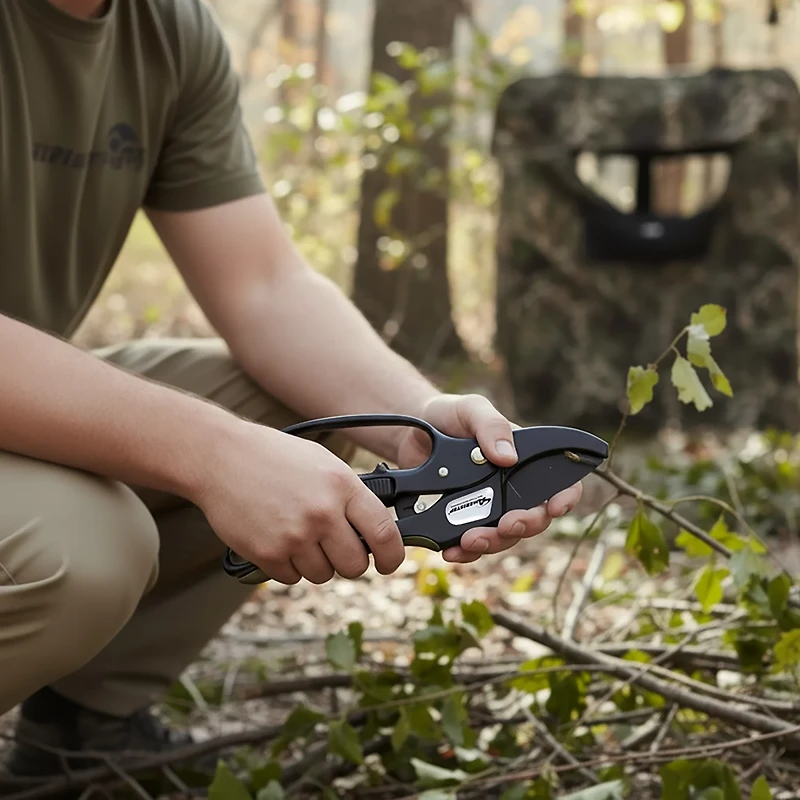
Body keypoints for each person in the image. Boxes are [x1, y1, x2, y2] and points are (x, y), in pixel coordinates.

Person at [0, 0, 583, 781]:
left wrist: (416, 427)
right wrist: (211, 454)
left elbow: (263, 286)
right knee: (84, 552)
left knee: (294, 421)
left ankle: (81, 728)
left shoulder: (166, 32)